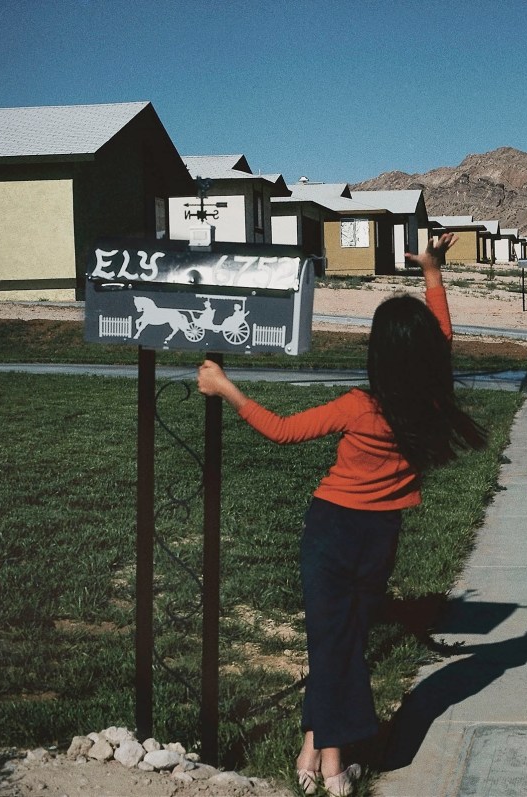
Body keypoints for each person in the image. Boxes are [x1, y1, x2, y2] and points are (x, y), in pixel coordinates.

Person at [197, 233, 486, 797]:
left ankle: (330, 765)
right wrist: (432, 272)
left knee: (331, 641)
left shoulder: (359, 407)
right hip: (381, 535)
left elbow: (281, 431)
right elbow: (442, 337)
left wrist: (226, 388)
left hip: (330, 530)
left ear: (378, 354)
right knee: (341, 639)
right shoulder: (428, 403)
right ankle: (313, 750)